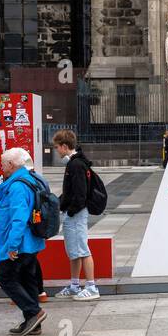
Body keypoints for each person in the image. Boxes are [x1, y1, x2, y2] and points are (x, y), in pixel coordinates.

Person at [0, 147, 48, 336]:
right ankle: (32, 322)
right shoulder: (29, 179)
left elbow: (19, 217)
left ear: (11, 165)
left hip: (19, 242)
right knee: (27, 279)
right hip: (30, 242)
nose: (1, 167)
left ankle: (34, 312)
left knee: (6, 278)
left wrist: (12, 245)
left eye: (3, 164)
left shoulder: (17, 186)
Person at [52, 129, 99, 301]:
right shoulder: (75, 163)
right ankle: (74, 285)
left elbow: (80, 194)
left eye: (57, 147)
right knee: (74, 251)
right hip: (73, 212)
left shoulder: (76, 165)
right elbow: (72, 192)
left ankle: (92, 286)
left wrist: (70, 210)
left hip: (77, 214)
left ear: (65, 146)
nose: (56, 150)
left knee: (82, 249)